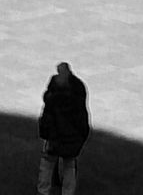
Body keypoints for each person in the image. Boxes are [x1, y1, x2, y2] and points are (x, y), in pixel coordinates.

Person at [38, 61, 90, 195]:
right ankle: (67, 192)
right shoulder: (78, 88)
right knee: (69, 165)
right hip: (72, 136)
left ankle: (43, 191)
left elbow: (47, 113)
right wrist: (83, 134)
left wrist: (44, 131)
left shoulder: (53, 90)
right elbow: (81, 116)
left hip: (54, 135)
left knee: (47, 164)